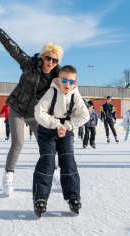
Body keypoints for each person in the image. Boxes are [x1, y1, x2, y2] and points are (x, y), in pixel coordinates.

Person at [0, 14, 63, 197]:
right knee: (18, 143)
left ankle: (54, 174)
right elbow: (13, 49)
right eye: (48, 58)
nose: (50, 62)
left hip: (36, 114)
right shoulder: (30, 64)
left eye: (54, 60)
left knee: (45, 144)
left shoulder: (58, 78)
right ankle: (8, 177)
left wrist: (87, 105)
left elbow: (72, 91)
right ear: (43, 56)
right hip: (17, 109)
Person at [33, 65, 89, 217]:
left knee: (68, 161)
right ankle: (40, 198)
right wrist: (56, 125)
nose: (67, 84)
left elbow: (85, 116)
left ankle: (73, 197)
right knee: (47, 162)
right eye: (64, 80)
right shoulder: (51, 92)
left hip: (66, 130)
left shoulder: (75, 95)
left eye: (71, 81)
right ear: (58, 80)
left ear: (75, 83)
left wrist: (67, 125)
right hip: (48, 130)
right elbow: (39, 112)